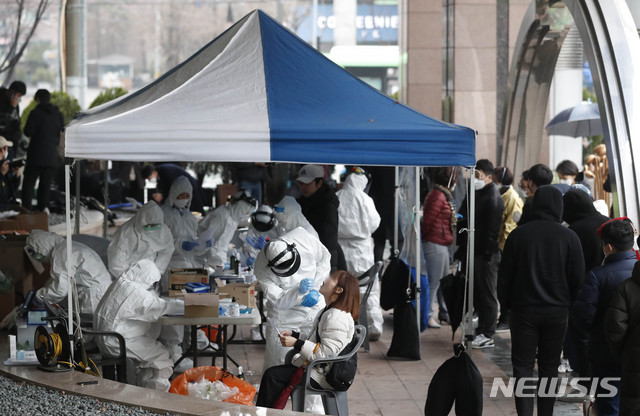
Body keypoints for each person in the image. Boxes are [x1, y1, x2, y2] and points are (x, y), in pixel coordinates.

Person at [498, 186, 585, 416]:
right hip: (557, 313)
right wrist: (569, 305)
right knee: (549, 366)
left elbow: (504, 276)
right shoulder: (570, 237)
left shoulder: (519, 235)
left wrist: (505, 307)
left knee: (523, 366)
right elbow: (578, 279)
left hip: (523, 311)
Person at [256, 270, 359, 408]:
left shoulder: (337, 318)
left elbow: (324, 353)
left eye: (331, 278)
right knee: (274, 374)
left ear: (339, 290)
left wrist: (297, 343)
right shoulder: (329, 311)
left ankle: (265, 413)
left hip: (322, 375)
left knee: (272, 376)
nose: (326, 279)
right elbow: (318, 338)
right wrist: (295, 335)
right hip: (316, 368)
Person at [571, 218, 636, 415]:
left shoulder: (597, 276)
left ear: (608, 247)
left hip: (605, 352)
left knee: (609, 403)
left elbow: (584, 317)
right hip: (635, 354)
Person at [94, 259, 184, 391]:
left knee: (152, 353)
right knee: (161, 358)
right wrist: (189, 305)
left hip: (108, 337)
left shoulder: (122, 284)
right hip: (116, 341)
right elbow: (159, 307)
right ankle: (156, 397)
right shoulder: (134, 292)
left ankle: (143, 389)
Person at [254, 226, 330, 371]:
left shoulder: (302, 237)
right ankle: (275, 392)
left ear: (293, 249)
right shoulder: (261, 267)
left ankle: (308, 392)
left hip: (312, 306)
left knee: (313, 358)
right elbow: (277, 301)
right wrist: (298, 292)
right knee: (277, 361)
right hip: (283, 314)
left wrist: (315, 288)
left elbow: (324, 260)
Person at [561, 187, 611, 380]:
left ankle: (586, 376)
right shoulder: (608, 223)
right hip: (609, 289)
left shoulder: (573, 231)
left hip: (582, 292)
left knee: (580, 337)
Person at [456, 159, 504, 348]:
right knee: (477, 293)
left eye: (478, 175)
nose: (474, 178)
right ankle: (481, 328)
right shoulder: (475, 193)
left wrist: (487, 254)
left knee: (487, 293)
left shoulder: (493, 198)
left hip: (485, 254)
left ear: (489, 177)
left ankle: (487, 333)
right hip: (471, 250)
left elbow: (492, 231)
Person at [337, 167, 382, 338]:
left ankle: (341, 329)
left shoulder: (338, 197)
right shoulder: (365, 199)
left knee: (340, 290)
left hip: (341, 248)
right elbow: (374, 223)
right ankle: (373, 327)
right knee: (368, 291)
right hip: (361, 251)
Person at [26, 230, 112, 315]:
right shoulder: (66, 247)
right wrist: (43, 291)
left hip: (93, 295)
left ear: (42, 246)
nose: (34, 256)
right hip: (99, 290)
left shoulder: (61, 253)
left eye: (34, 251)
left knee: (87, 325)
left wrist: (39, 297)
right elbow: (57, 279)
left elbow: (60, 289)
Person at [421, 167, 458, 329]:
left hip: (440, 243)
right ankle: (428, 315)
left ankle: (444, 312)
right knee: (434, 282)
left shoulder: (442, 194)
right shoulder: (438, 196)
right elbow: (428, 221)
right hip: (434, 243)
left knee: (443, 281)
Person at [604, 261, 640, 416]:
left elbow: (616, 328)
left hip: (634, 360)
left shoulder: (627, 287)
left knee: (633, 404)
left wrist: (625, 352)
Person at [296, 164, 346, 272]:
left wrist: (331, 270)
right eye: (300, 183)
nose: (302, 187)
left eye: (307, 183)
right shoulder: (304, 202)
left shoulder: (327, 207)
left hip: (326, 262)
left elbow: (330, 240)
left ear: (319, 183)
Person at [21, 89, 64, 213]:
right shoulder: (57, 114)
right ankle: (43, 208)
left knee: (29, 182)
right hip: (51, 156)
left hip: (35, 155)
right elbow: (61, 132)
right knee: (46, 183)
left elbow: (28, 131)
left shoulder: (35, 113)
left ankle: (26, 209)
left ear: (38, 99)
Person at [107, 201, 174, 279]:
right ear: (142, 220)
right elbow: (116, 263)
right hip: (128, 276)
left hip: (150, 276)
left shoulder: (163, 230)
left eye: (155, 226)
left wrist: (156, 272)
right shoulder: (127, 232)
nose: (152, 228)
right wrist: (132, 279)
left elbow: (167, 250)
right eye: (149, 225)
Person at [493, 166, 523, 332]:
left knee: (504, 286)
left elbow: (509, 228)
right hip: (500, 247)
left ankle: (506, 318)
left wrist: (502, 250)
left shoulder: (512, 198)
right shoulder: (502, 195)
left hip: (505, 249)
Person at [198, 189, 256, 269]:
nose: (246, 215)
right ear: (239, 206)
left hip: (215, 262)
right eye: (245, 211)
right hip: (207, 263)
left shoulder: (233, 218)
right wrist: (219, 265)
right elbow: (213, 246)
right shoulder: (223, 216)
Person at [142, 163, 206, 214]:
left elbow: (172, 189)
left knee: (196, 209)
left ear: (153, 173)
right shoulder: (160, 172)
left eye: (149, 178)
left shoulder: (166, 171)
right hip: (183, 187)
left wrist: (163, 197)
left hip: (189, 186)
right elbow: (163, 188)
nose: (149, 180)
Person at [0, 81, 26, 160]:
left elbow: (17, 121)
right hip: (3, 141)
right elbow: (3, 122)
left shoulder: (15, 104)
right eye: (18, 95)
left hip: (12, 141)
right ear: (13, 93)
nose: (19, 98)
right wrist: (12, 107)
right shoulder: (2, 100)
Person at [0, 136, 21, 210]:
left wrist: (17, 175)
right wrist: (1, 174)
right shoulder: (3, 167)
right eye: (6, 148)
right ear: (3, 150)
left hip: (7, 204)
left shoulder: (5, 165)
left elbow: (13, 189)